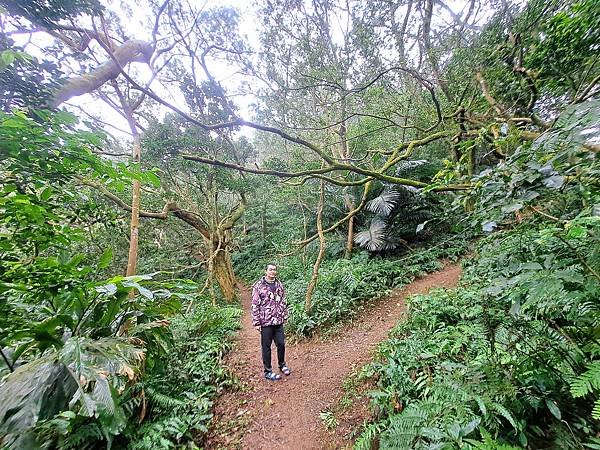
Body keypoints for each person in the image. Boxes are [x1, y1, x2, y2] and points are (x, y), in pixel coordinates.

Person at [251, 263, 291, 381]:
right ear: (265, 271)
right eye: (270, 269)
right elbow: (254, 305)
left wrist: (285, 315)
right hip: (266, 321)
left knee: (281, 344)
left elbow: (283, 300)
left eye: (274, 270)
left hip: (278, 320)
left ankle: (282, 365)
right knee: (266, 347)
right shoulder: (258, 286)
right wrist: (256, 322)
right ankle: (268, 371)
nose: (272, 272)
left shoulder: (279, 284)